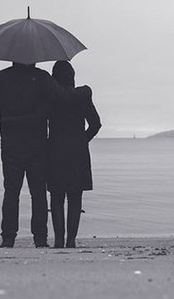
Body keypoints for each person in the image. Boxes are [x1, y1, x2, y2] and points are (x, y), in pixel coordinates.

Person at [0, 62, 90, 248]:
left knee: (11, 191)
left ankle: (8, 238)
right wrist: (86, 91)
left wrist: (11, 120)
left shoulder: (0, 77)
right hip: (36, 143)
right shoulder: (43, 78)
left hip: (10, 141)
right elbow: (64, 96)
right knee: (38, 193)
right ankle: (40, 239)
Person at [46, 61, 101, 248]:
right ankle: (71, 241)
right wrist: (82, 140)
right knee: (75, 197)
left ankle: (58, 241)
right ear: (72, 76)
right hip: (77, 151)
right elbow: (96, 124)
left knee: (56, 196)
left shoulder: (51, 97)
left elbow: (39, 122)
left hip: (55, 149)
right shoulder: (82, 96)